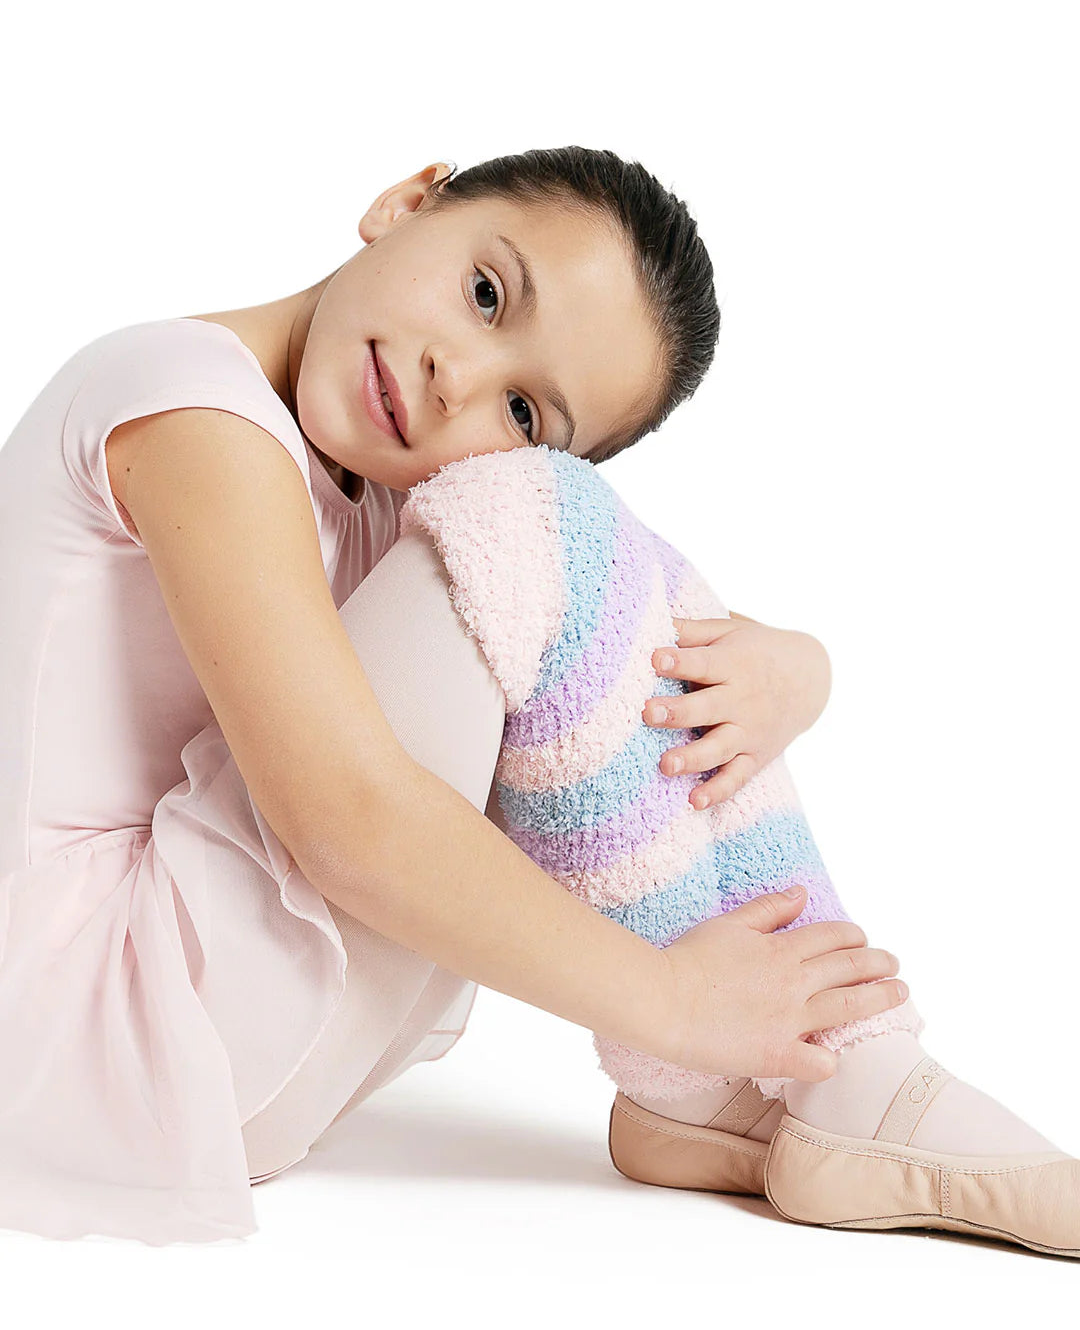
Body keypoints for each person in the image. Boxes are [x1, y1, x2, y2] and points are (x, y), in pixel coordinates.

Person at [0, 147, 1072, 1254]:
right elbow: (346, 817)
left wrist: (800, 667)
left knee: (557, 549)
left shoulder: (384, 482)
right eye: (485, 292)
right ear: (406, 202)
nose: (455, 378)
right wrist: (672, 1003)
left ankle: (793, 1087)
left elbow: (621, 629)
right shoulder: (189, 404)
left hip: (196, 1049)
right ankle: (810, 1081)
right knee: (532, 524)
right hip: (96, 1039)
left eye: (522, 408)